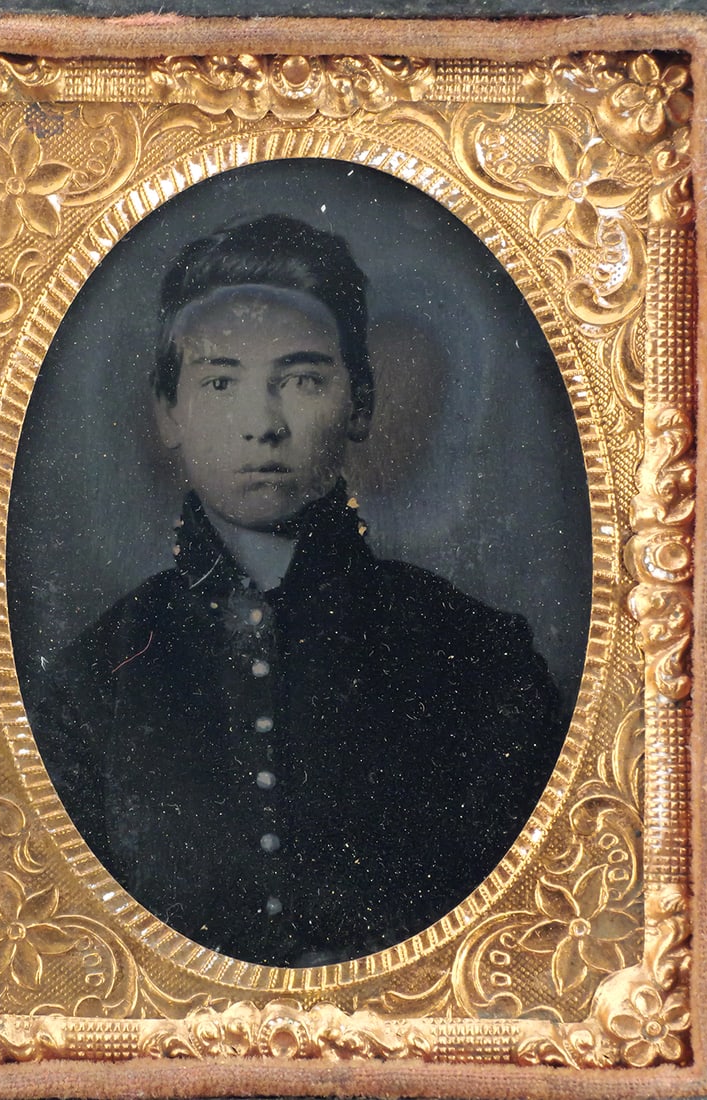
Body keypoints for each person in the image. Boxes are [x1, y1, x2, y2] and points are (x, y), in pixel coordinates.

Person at [32, 215, 565, 968]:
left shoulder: (479, 659)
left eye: (303, 379)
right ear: (168, 412)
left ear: (360, 403)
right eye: (221, 382)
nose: (263, 425)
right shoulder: (92, 684)